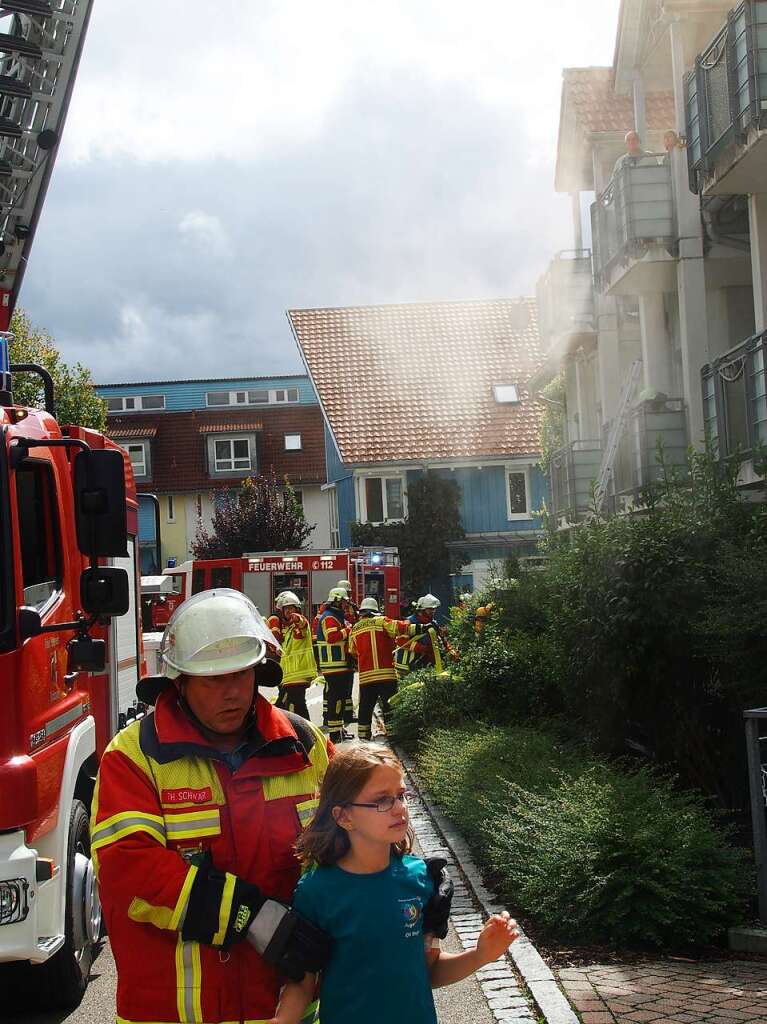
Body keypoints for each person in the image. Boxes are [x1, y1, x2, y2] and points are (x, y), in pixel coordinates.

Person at [92, 589, 335, 1024]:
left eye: (240, 675)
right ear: (179, 681)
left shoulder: (304, 745)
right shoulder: (136, 757)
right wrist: (249, 915)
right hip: (174, 1013)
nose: (232, 693)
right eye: (212, 679)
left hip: (284, 1009)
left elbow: (355, 828)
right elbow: (130, 871)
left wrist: (403, 878)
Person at [268, 743, 520, 1024]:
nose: (399, 808)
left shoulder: (422, 879)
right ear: (343, 816)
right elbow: (302, 981)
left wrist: (480, 955)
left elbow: (429, 971)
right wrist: (283, 1020)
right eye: (382, 800)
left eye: (401, 795)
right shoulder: (315, 891)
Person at [348, 597, 420, 740]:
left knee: (365, 709)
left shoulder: (354, 629)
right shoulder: (382, 621)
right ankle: (394, 737)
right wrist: (423, 627)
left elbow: (352, 651)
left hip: (366, 678)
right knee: (389, 708)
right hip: (386, 675)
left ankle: (363, 738)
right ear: (375, 611)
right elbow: (400, 628)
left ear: (362, 612)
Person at [267, 590, 317, 721]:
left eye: (291, 608)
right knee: (288, 706)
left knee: (296, 707)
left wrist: (297, 618)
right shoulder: (288, 631)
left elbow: (302, 623)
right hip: (289, 678)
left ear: (297, 609)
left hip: (299, 675)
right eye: (286, 609)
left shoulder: (300, 625)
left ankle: (306, 735)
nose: (289, 611)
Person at [316, 587, 355, 743]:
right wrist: (348, 630)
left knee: (339, 698)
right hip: (334, 665)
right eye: (344, 602)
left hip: (340, 664)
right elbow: (331, 637)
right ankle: (335, 734)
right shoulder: (329, 617)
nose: (346, 605)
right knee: (335, 699)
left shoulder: (335, 616)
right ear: (337, 601)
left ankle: (339, 730)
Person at [394, 594, 446, 678]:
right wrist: (421, 648)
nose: (433, 612)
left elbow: (442, 640)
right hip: (405, 666)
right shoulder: (409, 622)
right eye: (430, 610)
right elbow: (400, 640)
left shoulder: (433, 624)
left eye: (434, 609)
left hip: (422, 665)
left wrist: (450, 651)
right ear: (421, 610)